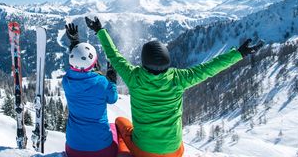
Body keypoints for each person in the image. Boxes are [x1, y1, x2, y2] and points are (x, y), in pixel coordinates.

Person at [85, 17, 263, 157]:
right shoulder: (179, 79)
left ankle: (124, 154)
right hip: (175, 152)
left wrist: (100, 31)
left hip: (144, 152)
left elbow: (115, 57)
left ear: (144, 61)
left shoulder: (134, 77)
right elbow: (210, 68)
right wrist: (239, 54)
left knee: (119, 122)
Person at [62, 23, 119, 157]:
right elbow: (113, 98)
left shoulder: (66, 81)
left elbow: (77, 69)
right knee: (115, 128)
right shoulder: (101, 83)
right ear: (94, 64)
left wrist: (74, 43)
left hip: (73, 149)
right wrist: (111, 80)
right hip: (102, 150)